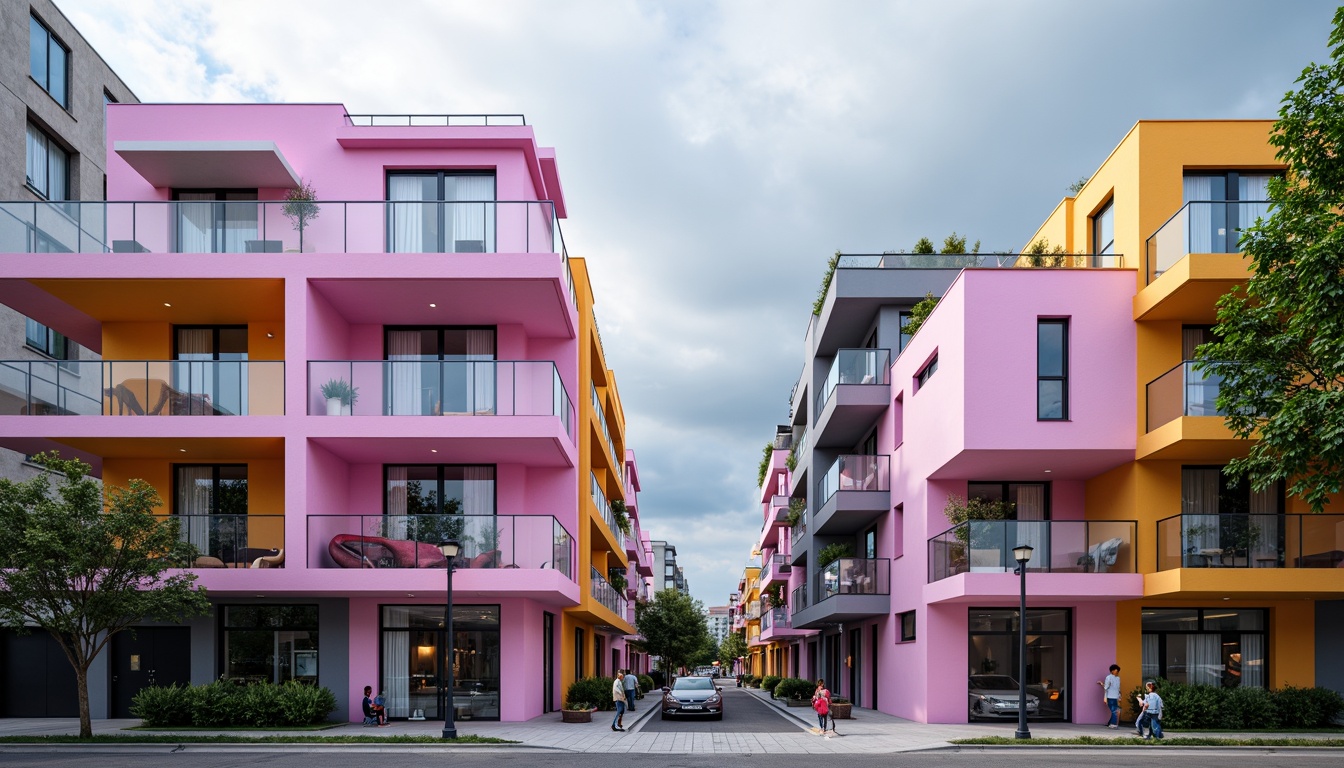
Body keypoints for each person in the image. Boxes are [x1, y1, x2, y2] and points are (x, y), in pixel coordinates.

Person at [1097, 664, 1121, 728]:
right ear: (1112, 671)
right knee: (1114, 710)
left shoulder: (1114, 678)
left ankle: (1112, 724)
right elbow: (1108, 688)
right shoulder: (1113, 678)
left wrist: (1119, 696)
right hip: (1113, 697)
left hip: (1113, 697)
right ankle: (1112, 724)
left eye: (1118, 671)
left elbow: (1108, 687)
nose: (1117, 672)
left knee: (1114, 711)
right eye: (1117, 671)